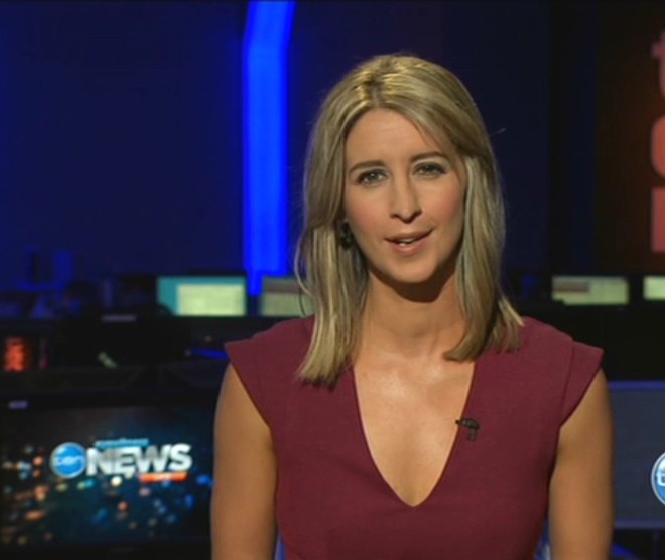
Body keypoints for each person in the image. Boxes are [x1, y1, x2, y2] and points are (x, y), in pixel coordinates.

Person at [212, 54, 613, 559]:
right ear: (339, 206)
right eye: (371, 177)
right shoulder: (264, 381)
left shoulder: (561, 381)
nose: (404, 206)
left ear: (470, 184)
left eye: (428, 169)